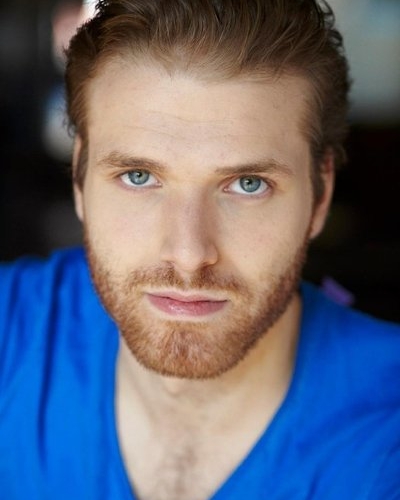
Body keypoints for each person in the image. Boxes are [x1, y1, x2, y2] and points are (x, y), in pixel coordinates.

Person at [1, 0, 399, 498]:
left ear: (320, 197)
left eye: (249, 184)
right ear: (80, 180)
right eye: (138, 176)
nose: (189, 256)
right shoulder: (11, 333)